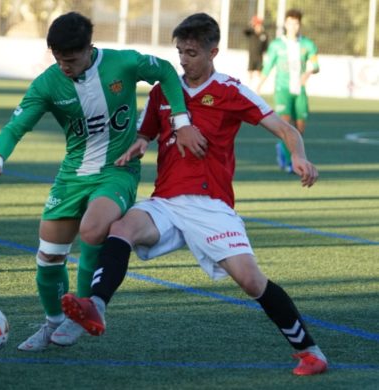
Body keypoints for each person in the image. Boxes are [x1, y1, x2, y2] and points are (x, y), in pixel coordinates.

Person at [61, 13, 328, 376]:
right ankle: (96, 304)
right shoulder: (162, 92)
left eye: (190, 53)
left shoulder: (230, 91)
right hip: (167, 201)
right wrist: (139, 145)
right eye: (179, 52)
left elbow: (283, 127)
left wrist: (298, 155)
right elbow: (145, 133)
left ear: (212, 51)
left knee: (251, 280)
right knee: (121, 228)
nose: (183, 60)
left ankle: (310, 351)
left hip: (211, 206)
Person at [0, 11, 193, 352]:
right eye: (59, 59)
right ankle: (54, 323)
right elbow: (16, 126)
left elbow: (165, 71)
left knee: (93, 229)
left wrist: (180, 119)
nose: (65, 66)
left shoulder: (122, 64)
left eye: (71, 59)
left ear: (89, 48)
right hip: (72, 176)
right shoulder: (49, 83)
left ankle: (86, 310)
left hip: (116, 171)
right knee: (48, 258)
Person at [256, 9, 319, 173]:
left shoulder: (307, 44)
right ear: (285, 24)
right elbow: (267, 67)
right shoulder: (276, 45)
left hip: (300, 91)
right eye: (290, 23)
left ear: (300, 24)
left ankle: (285, 150)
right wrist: (257, 87)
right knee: (285, 125)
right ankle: (290, 161)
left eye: (296, 23)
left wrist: (308, 73)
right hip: (282, 90)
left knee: (300, 128)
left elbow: (316, 65)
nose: (293, 26)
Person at [243, 15, 269, 89]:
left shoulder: (264, 34)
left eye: (259, 25)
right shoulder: (251, 33)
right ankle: (248, 87)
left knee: (259, 72)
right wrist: (251, 24)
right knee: (250, 72)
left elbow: (266, 46)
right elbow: (244, 31)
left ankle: (258, 88)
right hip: (251, 57)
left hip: (259, 57)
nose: (258, 27)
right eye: (257, 25)